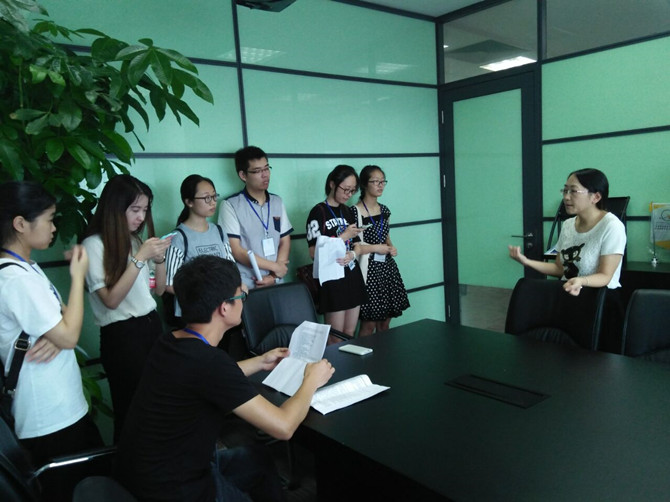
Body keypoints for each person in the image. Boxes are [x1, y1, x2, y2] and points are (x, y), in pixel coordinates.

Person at [116, 255, 335, 501]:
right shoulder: (209, 361)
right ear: (224, 307)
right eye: (241, 296)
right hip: (174, 487)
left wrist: (261, 361)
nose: (244, 301)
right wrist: (311, 380)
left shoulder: (171, 341)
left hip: (143, 470)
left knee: (258, 460)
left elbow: (209, 378)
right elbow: (283, 427)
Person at [0, 181, 103, 501]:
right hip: (48, 418)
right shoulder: (14, 278)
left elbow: (61, 323)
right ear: (20, 224)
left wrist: (58, 336)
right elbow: (69, 332)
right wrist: (78, 275)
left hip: (63, 408)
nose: (54, 227)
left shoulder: (26, 268)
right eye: (49, 219)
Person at [82, 174, 171, 442]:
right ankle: (127, 465)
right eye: (135, 209)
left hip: (151, 325)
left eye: (145, 210)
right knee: (131, 409)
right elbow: (111, 300)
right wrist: (140, 258)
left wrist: (160, 259)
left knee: (158, 404)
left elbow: (159, 290)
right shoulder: (93, 245)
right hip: (122, 336)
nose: (141, 217)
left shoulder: (134, 241)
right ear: (115, 208)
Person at [508, 168, 626, 349]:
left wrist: (581, 280)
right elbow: (560, 269)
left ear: (595, 197)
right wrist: (527, 261)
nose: (566, 197)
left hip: (600, 303)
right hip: (570, 298)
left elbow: (605, 276)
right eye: (565, 190)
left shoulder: (612, 226)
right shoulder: (568, 225)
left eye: (573, 191)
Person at [164, 174, 234, 326]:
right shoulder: (178, 237)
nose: (213, 202)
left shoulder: (219, 231)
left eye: (214, 196)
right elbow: (169, 284)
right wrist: (203, 295)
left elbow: (231, 270)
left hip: (220, 311)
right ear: (189, 202)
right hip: (193, 316)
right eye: (206, 198)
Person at [306, 165, 366, 340]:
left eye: (352, 191)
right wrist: (343, 236)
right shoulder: (318, 212)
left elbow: (357, 245)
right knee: (335, 338)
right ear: (332, 184)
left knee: (350, 333)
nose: (348, 194)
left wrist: (352, 254)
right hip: (332, 279)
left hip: (352, 275)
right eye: (345, 189)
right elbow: (313, 253)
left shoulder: (347, 211)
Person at [219, 146, 293, 289]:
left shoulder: (277, 201)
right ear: (243, 175)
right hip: (248, 284)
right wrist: (276, 267)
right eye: (258, 171)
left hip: (276, 282)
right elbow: (236, 249)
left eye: (266, 168)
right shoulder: (230, 205)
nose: (265, 175)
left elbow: (285, 240)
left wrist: (274, 276)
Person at [351, 165, 409, 336]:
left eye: (383, 181)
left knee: (385, 323)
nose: (380, 185)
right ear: (364, 184)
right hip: (367, 270)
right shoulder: (355, 211)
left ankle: (385, 352)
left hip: (386, 268)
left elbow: (386, 236)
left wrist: (391, 247)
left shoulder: (384, 210)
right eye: (376, 182)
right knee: (368, 325)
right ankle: (365, 354)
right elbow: (354, 247)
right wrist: (377, 248)